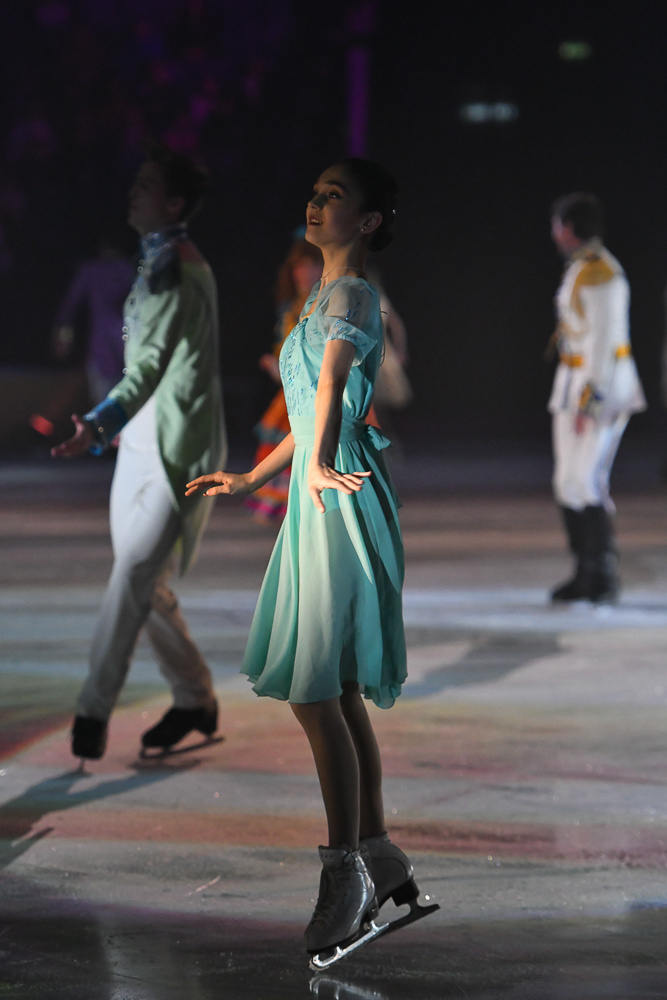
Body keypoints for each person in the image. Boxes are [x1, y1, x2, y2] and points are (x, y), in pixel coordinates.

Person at [186, 157, 437, 967]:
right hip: (318, 487)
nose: (315, 201)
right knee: (333, 690)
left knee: (315, 689)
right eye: (316, 191)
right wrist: (258, 473)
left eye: (335, 196)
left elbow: (330, 386)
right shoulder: (321, 297)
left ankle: (346, 873)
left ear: (367, 222)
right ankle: (378, 852)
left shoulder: (352, 293)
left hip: (340, 493)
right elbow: (306, 405)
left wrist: (319, 465)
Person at [52, 142, 226, 760]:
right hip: (139, 441)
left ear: (174, 202)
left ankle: (91, 713)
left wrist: (97, 423)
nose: (133, 193)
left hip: (177, 447)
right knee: (143, 581)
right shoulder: (153, 261)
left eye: (146, 186)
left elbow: (149, 364)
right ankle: (195, 696)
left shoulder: (181, 269)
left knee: (132, 575)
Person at [548, 193, 645, 603]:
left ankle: (602, 574)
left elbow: (605, 344)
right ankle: (584, 570)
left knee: (588, 481)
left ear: (567, 228)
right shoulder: (582, 269)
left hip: (599, 390)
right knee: (568, 482)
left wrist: (590, 403)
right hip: (572, 385)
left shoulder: (603, 273)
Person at [244, 236, 323, 523]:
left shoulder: (327, 304)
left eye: (312, 266)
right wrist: (276, 364)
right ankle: (285, 502)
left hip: (319, 390)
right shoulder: (290, 308)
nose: (304, 274)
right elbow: (285, 348)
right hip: (294, 391)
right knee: (290, 444)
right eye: (299, 268)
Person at [51, 226, 135, 405]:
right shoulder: (128, 269)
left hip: (103, 347)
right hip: (126, 344)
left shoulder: (92, 270)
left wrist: (63, 337)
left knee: (104, 403)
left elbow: (69, 308)